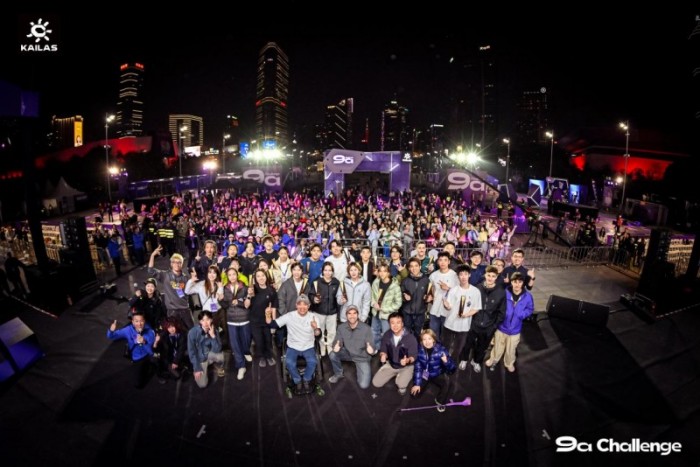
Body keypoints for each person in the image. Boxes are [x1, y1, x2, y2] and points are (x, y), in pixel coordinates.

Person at [266, 294, 321, 395]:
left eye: (305, 304)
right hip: (293, 347)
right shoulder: (289, 316)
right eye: (300, 304)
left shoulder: (314, 317)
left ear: (308, 306)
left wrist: (315, 328)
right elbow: (272, 324)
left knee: (313, 362)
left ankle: (306, 379)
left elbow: (318, 335)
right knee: (289, 362)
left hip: (308, 346)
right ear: (296, 305)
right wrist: (268, 315)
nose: (302, 307)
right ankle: (297, 380)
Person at [460, 265, 506, 372]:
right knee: (467, 343)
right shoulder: (477, 288)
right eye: (489, 275)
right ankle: (464, 359)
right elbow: (468, 304)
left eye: (493, 276)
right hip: (473, 324)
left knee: (482, 346)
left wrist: (493, 326)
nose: (490, 278)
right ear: (485, 275)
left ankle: (476, 361)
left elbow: (502, 312)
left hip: (488, 326)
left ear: (496, 277)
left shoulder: (501, 292)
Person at [485, 272, 534, 372]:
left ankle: (509, 363)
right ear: (511, 282)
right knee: (498, 346)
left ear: (523, 283)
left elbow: (530, 309)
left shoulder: (528, 296)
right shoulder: (504, 293)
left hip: (515, 330)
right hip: (501, 328)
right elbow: (497, 306)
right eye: (515, 282)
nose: (517, 284)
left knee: (511, 350)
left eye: (520, 282)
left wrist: (521, 314)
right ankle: (493, 359)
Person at [371, 312, 418, 396]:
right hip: (392, 364)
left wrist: (407, 360)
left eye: (398, 322)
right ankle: (393, 372)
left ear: (402, 324)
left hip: (406, 367)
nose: (395, 325)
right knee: (376, 383)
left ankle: (404, 376)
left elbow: (414, 356)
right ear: (389, 324)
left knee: (401, 384)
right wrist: (383, 355)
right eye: (392, 323)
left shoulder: (411, 338)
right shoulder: (387, 335)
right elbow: (383, 348)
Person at [328, 305, 375, 389]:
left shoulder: (366, 328)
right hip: (348, 353)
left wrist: (371, 350)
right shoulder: (341, 327)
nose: (352, 316)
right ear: (346, 315)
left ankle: (360, 369)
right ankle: (338, 373)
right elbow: (337, 340)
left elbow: (371, 345)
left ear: (358, 315)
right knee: (332, 354)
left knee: (364, 385)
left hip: (361, 356)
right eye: (349, 313)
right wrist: (336, 345)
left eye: (354, 313)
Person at [106, 312, 156, 389]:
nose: (139, 324)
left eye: (141, 321)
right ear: (132, 322)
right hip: (136, 358)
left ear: (144, 321)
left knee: (147, 369)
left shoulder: (150, 331)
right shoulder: (128, 330)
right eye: (136, 321)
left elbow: (150, 351)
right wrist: (111, 330)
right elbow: (111, 337)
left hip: (147, 356)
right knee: (138, 382)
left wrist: (144, 342)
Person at [411, 329, 456, 412]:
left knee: (447, 384)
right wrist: (417, 384)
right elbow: (418, 368)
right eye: (424, 339)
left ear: (433, 339)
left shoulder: (442, 350)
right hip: (425, 374)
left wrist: (446, 362)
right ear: (421, 341)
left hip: (437, 373)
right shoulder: (419, 350)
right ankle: (426, 383)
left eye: (429, 338)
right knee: (415, 395)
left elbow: (452, 369)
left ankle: (439, 401)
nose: (427, 342)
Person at [148, 246, 192, 329]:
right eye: (174, 262)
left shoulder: (186, 278)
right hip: (172, 310)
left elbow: (190, 292)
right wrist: (152, 255)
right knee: (174, 331)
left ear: (182, 264)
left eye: (179, 262)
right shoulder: (165, 275)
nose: (177, 264)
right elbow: (150, 270)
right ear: (171, 264)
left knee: (192, 331)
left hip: (185, 309)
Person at [187, 311, 225, 388]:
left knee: (221, 356)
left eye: (207, 319)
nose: (205, 322)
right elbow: (192, 353)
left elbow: (217, 349)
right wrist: (197, 368)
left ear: (211, 320)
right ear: (200, 322)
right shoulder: (192, 332)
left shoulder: (214, 330)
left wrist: (213, 336)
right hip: (200, 359)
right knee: (202, 385)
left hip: (209, 354)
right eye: (202, 320)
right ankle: (199, 368)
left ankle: (217, 366)